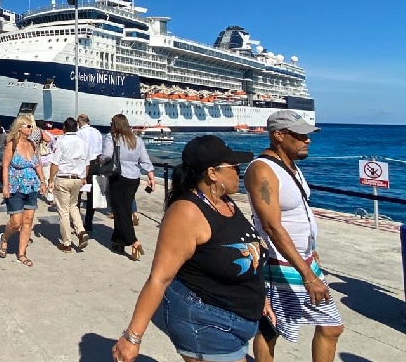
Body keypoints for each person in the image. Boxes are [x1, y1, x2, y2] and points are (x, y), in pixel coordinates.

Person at [112, 135, 272, 362]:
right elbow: (160, 278)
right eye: (234, 166)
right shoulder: (186, 213)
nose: (240, 171)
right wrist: (132, 337)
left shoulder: (225, 201)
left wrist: (261, 298)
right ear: (212, 173)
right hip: (206, 322)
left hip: (240, 318)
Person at [244, 110, 343, 362]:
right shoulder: (262, 170)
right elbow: (271, 226)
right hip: (280, 264)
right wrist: (308, 276)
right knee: (271, 328)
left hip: (302, 259)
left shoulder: (290, 166)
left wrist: (312, 250)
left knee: (329, 327)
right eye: (300, 135)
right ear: (278, 135)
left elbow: (299, 214)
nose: (307, 140)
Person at [100, 114, 156, 260]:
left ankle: (133, 241)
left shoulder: (112, 138)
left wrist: (99, 160)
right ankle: (118, 241)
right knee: (123, 208)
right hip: (134, 179)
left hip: (118, 177)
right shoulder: (136, 139)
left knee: (121, 212)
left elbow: (106, 155)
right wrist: (151, 176)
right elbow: (144, 159)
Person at [0, 114, 47, 267]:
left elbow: (37, 164)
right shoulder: (12, 144)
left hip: (31, 187)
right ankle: (4, 238)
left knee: (28, 221)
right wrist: (5, 186)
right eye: (28, 126)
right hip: (15, 187)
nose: (31, 129)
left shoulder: (32, 144)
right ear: (20, 128)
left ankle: (22, 254)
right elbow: (5, 165)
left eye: (31, 126)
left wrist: (43, 181)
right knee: (16, 222)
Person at [48, 117, 90, 252]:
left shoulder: (61, 141)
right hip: (78, 178)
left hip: (63, 178)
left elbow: (55, 163)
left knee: (63, 210)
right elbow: (87, 163)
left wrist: (50, 179)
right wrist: (84, 177)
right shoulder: (83, 143)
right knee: (74, 206)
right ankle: (81, 230)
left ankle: (67, 243)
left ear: (64, 128)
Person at [77, 113, 104, 231]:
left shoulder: (80, 133)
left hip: (84, 164)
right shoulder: (97, 132)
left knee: (78, 193)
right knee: (92, 195)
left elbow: (79, 150)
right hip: (96, 164)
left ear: (80, 122)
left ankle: (77, 221)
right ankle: (89, 223)